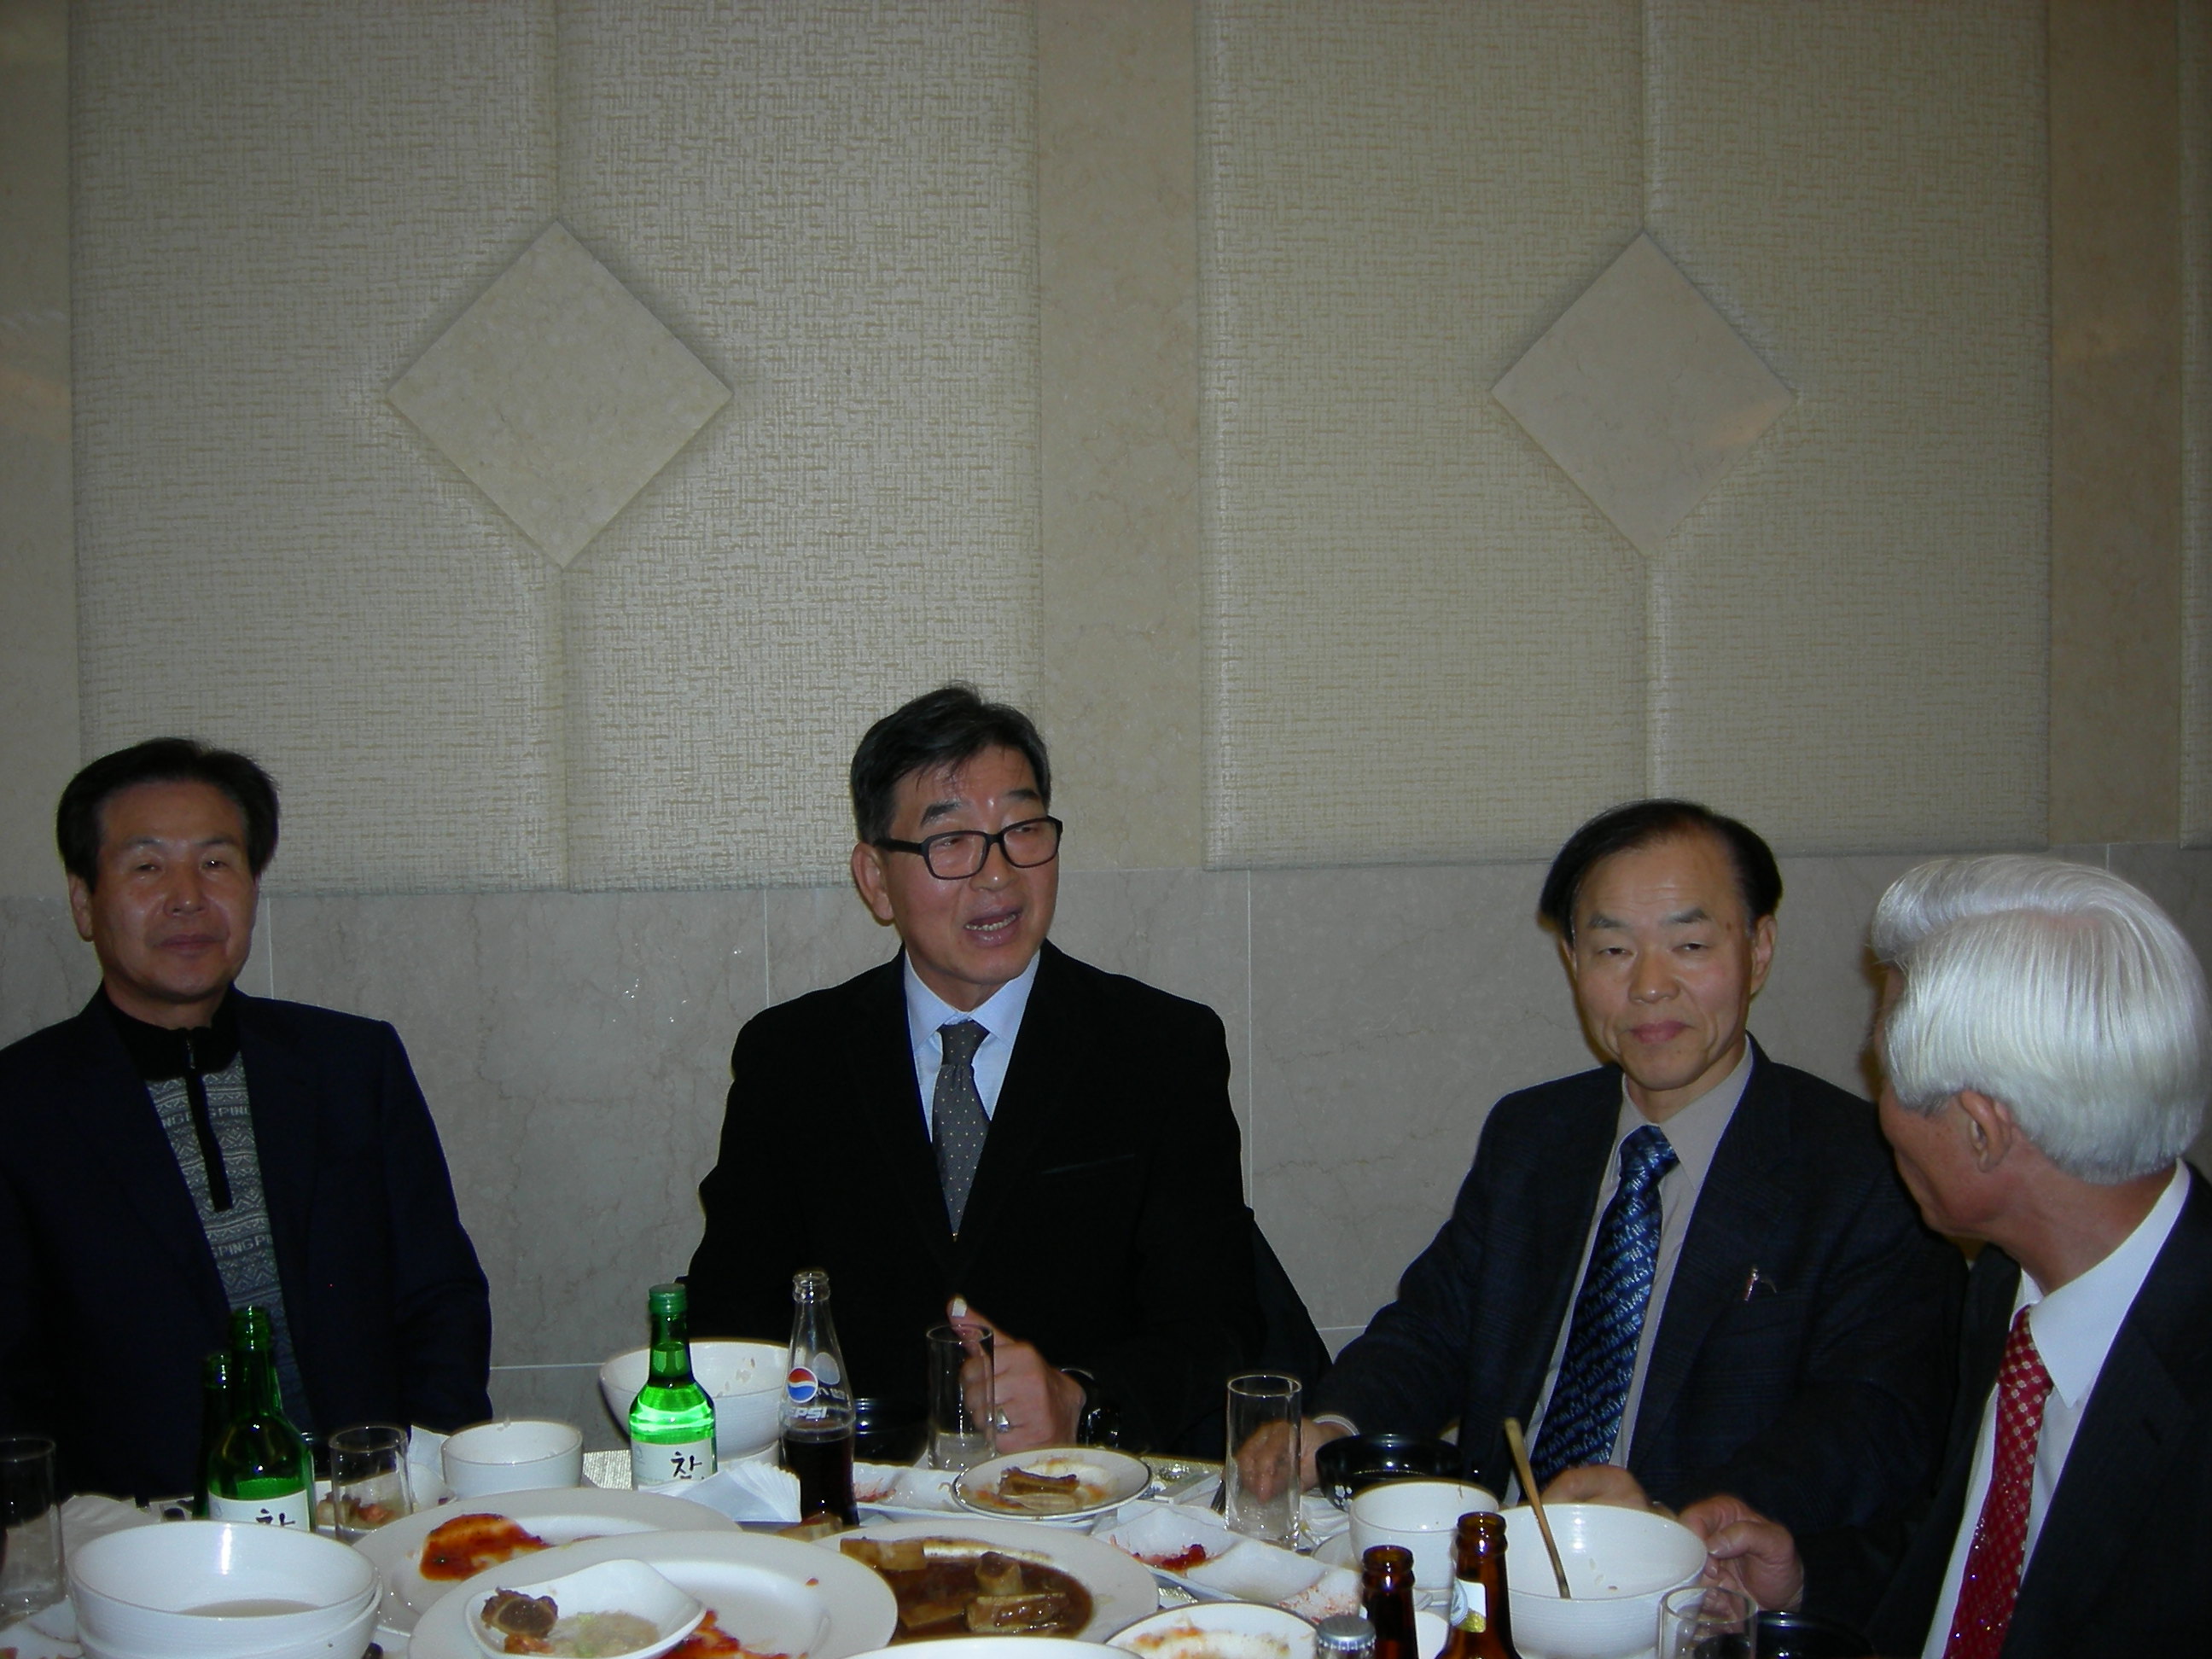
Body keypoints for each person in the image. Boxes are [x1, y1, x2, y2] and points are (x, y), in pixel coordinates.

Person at [1292, 800, 1962, 1536]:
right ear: (1573, 960)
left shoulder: (1863, 1172)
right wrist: (1332, 1428)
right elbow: (1435, 1329)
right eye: (1613, 950)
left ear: (1760, 949)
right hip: (1497, 1559)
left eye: (1690, 945)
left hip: (1691, 1576)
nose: (1649, 986)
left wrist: (1671, 1525)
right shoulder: (1534, 1135)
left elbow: (1867, 1424)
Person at [1610, 854, 2212, 1655]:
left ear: (1980, 1133)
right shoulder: (2007, 1281)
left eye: (1887, 1078)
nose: (1878, 1110)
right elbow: (1964, 1550)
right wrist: (1803, 1579)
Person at [686, 685, 1266, 1454]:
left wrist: (1082, 1399)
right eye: (951, 841)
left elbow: (1219, 1328)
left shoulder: (1161, 1050)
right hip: (860, 1497)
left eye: (1022, 830)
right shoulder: (792, 1061)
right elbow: (730, 1323)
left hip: (1085, 1496)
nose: (998, 875)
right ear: (875, 879)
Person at [0, 739, 492, 1501]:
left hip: (367, 1509)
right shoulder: (22, 1105)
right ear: (83, 902)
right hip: (140, 1535)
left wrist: (418, 1476)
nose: (188, 898)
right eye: (147, 867)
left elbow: (440, 1294)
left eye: (215, 862)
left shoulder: (350, 1064)